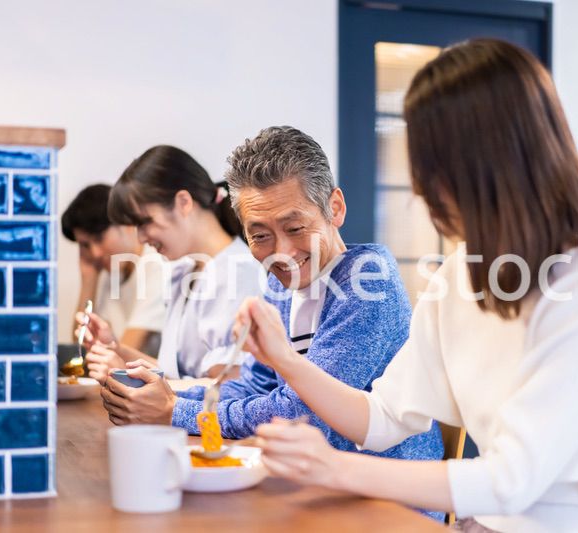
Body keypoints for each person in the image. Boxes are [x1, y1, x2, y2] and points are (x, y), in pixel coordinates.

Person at [234, 40, 578, 533]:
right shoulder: (459, 275)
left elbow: (515, 479)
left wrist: (336, 468)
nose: (421, 186)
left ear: (492, 162)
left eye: (431, 164)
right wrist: (284, 359)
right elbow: (384, 418)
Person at [98, 128, 444, 514]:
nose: (280, 252)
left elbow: (304, 416)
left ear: (336, 208)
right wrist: (166, 396)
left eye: (295, 229)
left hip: (387, 507)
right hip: (314, 487)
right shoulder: (281, 286)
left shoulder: (367, 283)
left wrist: (173, 411)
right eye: (260, 235)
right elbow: (255, 383)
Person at [78, 146, 263, 381]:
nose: (141, 238)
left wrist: (121, 371)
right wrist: (115, 348)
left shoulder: (237, 273)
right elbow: (178, 376)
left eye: (145, 222)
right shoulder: (185, 271)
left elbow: (228, 391)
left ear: (184, 202)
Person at [62, 184, 165, 353]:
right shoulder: (111, 275)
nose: (95, 253)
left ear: (125, 223)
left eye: (99, 238)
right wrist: (89, 278)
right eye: (85, 245)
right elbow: (80, 347)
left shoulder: (156, 266)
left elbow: (125, 350)